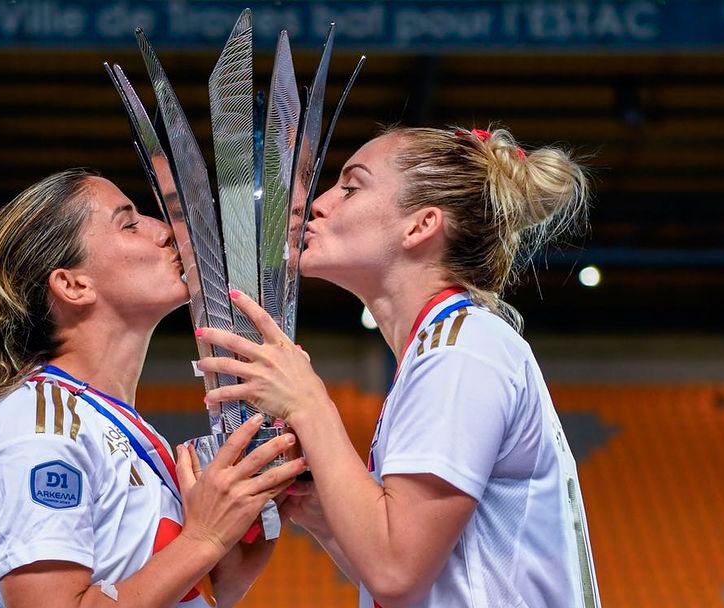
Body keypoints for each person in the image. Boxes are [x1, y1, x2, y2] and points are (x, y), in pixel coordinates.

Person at [195, 126, 601, 607]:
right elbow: (421, 580)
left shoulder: (460, 350)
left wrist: (310, 405)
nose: (319, 204)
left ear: (420, 226)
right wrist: (320, 509)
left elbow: (395, 571)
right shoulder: (445, 347)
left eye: (351, 186)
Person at [0, 168, 307, 608]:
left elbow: (182, 590)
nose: (165, 231)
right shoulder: (41, 427)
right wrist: (204, 537)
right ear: (73, 284)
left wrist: (251, 522)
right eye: (129, 223)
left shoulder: (118, 428)